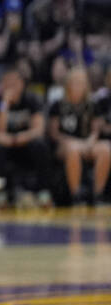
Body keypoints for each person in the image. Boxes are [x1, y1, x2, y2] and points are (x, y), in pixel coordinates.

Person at [0, 67, 51, 206]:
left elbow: (38, 130)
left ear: (21, 84)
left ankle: (43, 190)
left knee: (40, 144)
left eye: (13, 82)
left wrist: (15, 139)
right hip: (8, 148)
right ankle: (2, 192)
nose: (10, 86)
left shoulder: (33, 99)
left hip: (25, 145)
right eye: (6, 83)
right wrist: (4, 104)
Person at [49, 67, 107, 205]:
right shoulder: (58, 104)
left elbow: (96, 130)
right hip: (65, 145)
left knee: (106, 149)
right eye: (75, 82)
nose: (78, 85)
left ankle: (97, 194)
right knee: (73, 149)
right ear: (68, 84)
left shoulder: (92, 104)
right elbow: (54, 133)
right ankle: (76, 195)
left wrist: (90, 141)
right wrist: (74, 142)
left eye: (81, 82)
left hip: (87, 143)